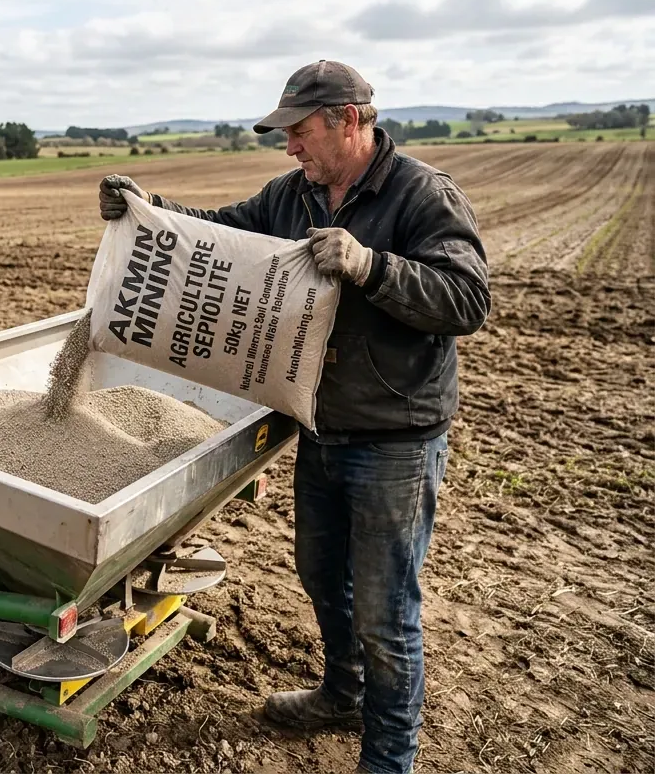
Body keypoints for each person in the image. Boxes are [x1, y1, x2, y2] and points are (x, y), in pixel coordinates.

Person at [98, 60, 490, 774]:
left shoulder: (421, 195)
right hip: (319, 424)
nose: (289, 149)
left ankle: (387, 760)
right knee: (319, 574)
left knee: (386, 614)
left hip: (395, 437)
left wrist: (371, 266)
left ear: (349, 119)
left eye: (300, 132)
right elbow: (219, 235)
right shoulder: (293, 197)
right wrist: (144, 209)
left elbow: (467, 301)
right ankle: (342, 694)